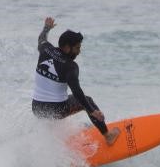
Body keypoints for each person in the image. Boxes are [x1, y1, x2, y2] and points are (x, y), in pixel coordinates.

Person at [31, 17, 120, 145]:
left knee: (60, 98)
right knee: (87, 100)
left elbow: (41, 39)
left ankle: (51, 140)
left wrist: (46, 28)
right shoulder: (70, 66)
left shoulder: (45, 49)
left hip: (37, 108)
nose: (79, 51)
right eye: (77, 48)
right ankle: (108, 135)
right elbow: (77, 91)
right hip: (56, 110)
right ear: (67, 48)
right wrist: (92, 111)